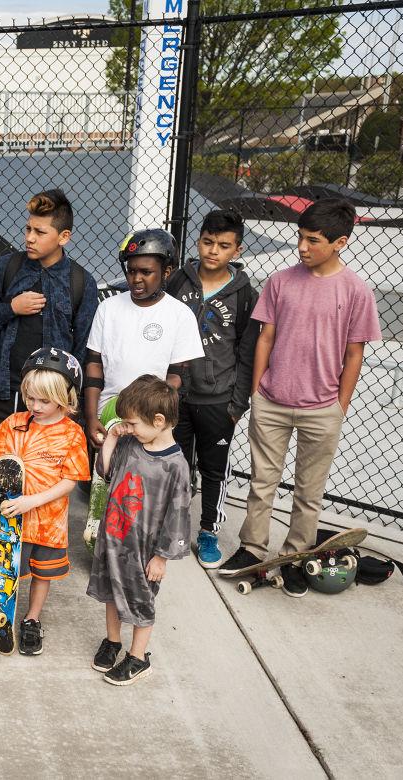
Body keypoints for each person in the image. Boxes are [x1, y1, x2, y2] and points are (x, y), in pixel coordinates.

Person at [219, 199, 381, 597]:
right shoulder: (280, 281)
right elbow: (265, 337)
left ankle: (294, 558)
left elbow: (354, 352)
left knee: (309, 492)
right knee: (262, 483)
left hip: (321, 408)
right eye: (299, 238)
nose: (302, 247)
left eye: (312, 240)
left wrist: (339, 405)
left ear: (340, 242)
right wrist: (258, 389)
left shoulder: (355, 290)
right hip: (272, 401)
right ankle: (252, 549)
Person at [0, 347, 90, 656]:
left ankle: (32, 619)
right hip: (7, 520)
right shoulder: (14, 423)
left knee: (40, 572)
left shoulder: (72, 434)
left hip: (46, 523)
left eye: (44, 401)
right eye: (30, 398)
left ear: (65, 396)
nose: (35, 406)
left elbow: (70, 481)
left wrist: (32, 501)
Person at [166, 210, 259, 568]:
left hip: (219, 398)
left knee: (214, 469)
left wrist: (238, 403)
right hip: (177, 395)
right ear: (198, 241)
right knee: (175, 465)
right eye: (207, 242)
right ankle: (173, 526)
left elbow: (246, 350)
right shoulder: (180, 282)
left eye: (223, 246)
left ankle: (208, 531)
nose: (213, 251)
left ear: (237, 250)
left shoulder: (244, 294)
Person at [87, 375, 192, 685]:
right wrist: (113, 437)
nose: (128, 428)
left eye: (132, 423)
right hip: (114, 538)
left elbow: (178, 516)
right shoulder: (130, 444)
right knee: (110, 593)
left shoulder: (176, 466)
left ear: (159, 421)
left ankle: (137, 657)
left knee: (140, 601)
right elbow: (105, 472)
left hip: (143, 550)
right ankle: (113, 641)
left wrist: (161, 557)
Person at [0, 189, 98, 439]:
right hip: (5, 391)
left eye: (40, 232)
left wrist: (68, 396)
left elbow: (84, 346)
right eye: (28, 229)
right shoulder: (7, 266)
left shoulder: (81, 281)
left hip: (53, 399)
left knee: (47, 471)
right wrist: (11, 308)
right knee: (0, 466)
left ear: (64, 237)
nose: (30, 238)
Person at [82, 229, 204, 447]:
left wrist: (148, 420)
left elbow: (176, 377)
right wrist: (91, 418)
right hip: (108, 414)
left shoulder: (180, 314)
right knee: (107, 477)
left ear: (166, 272)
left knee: (145, 479)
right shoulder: (108, 308)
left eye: (146, 272)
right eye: (131, 271)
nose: (136, 279)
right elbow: (94, 366)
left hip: (152, 420)